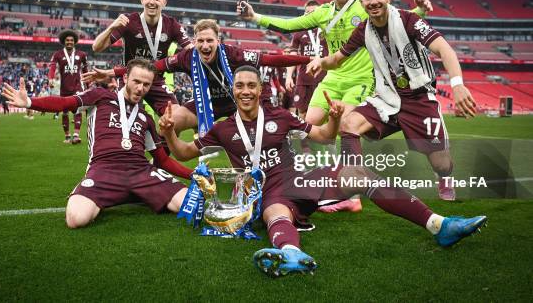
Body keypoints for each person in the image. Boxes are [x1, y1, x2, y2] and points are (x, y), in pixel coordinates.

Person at [159, 65, 486, 277]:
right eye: (240, 86)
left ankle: (439, 225)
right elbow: (186, 152)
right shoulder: (222, 128)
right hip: (263, 193)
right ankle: (290, 254)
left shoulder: (280, 116)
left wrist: (332, 117)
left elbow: (323, 136)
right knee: (275, 211)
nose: (245, 91)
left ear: (260, 90)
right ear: (234, 91)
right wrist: (171, 132)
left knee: (358, 175)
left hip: (297, 180)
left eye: (251, 86)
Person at [239, 0, 438, 208]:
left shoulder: (365, 6)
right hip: (332, 80)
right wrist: (255, 17)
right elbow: (289, 25)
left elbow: (397, 20)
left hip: (362, 80)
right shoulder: (323, 12)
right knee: (307, 129)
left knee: (348, 127)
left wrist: (420, 10)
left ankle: (352, 194)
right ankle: (325, 179)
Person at [307, 0, 478, 201]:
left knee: (442, 164)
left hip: (419, 100)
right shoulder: (363, 30)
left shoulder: (409, 20)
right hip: (387, 98)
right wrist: (321, 61)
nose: (374, 1)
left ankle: (445, 178)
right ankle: (352, 181)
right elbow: (337, 58)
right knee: (349, 123)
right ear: (362, 0)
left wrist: (457, 85)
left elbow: (444, 50)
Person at [2, 58, 192, 229]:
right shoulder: (100, 96)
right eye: (136, 81)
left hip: (141, 172)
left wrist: (193, 175)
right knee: (76, 219)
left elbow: (163, 161)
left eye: (146, 84)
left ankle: (138, 193)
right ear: (125, 78)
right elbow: (65, 103)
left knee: (190, 204)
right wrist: (29, 102)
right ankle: (122, 194)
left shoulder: (146, 118)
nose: (141, 88)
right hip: (104, 170)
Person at [84, 19, 312, 135]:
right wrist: (113, 72)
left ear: (218, 41)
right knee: (172, 122)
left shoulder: (233, 53)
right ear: (194, 41)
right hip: (208, 104)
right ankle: (159, 164)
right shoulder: (186, 56)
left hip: (239, 102)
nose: (204, 45)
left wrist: (308, 60)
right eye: (200, 41)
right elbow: (153, 67)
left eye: (209, 41)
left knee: (270, 129)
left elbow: (271, 59)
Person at [91, 0, 192, 118]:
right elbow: (96, 47)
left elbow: (191, 50)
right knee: (125, 120)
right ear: (142, 0)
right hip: (129, 77)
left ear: (164, 2)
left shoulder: (172, 24)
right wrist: (111, 27)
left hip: (155, 79)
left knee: (174, 117)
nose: (152, 2)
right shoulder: (129, 21)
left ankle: (162, 139)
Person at [49, 29, 88, 144]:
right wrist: (50, 78)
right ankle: (67, 136)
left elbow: (85, 71)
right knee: (65, 113)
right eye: (67, 40)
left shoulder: (81, 54)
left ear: (75, 41)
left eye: (71, 40)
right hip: (64, 88)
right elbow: (52, 67)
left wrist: (88, 85)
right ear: (64, 41)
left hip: (77, 87)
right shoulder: (58, 54)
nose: (69, 42)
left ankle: (76, 136)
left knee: (77, 111)